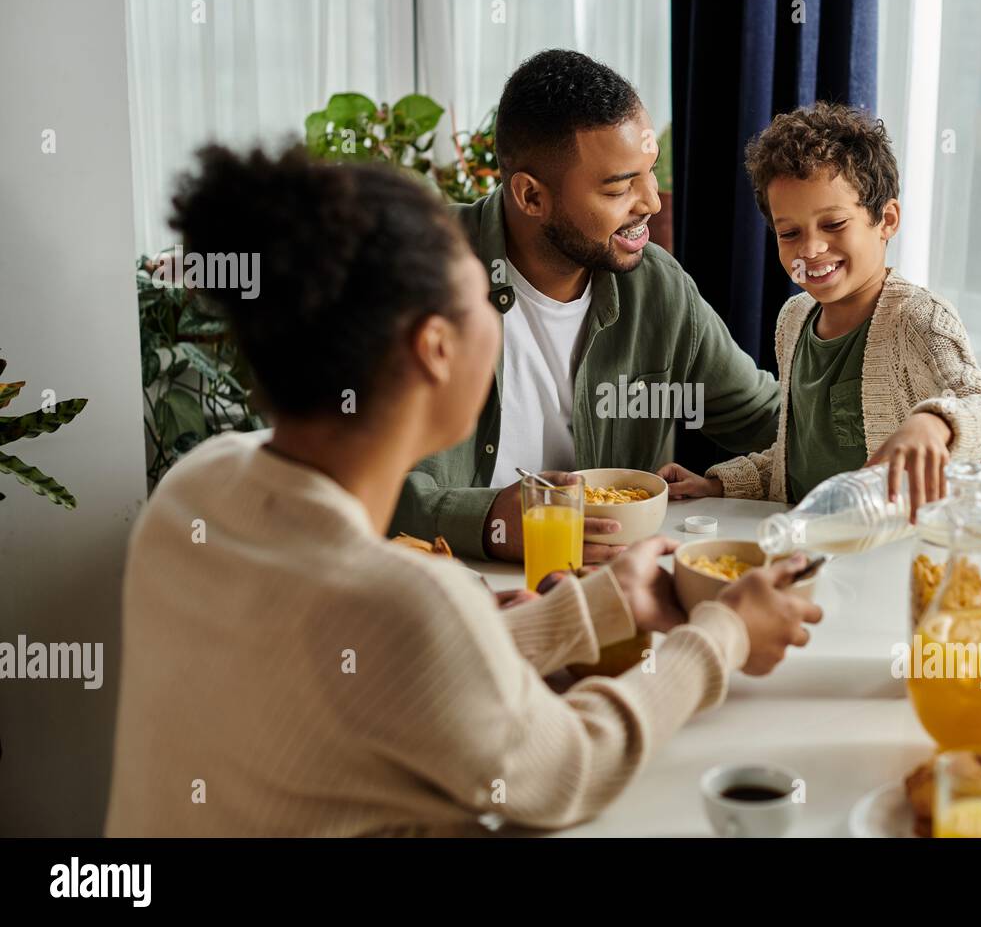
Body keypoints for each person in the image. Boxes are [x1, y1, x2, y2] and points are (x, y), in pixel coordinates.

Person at [104, 146, 821, 837]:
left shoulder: (192, 494)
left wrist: (594, 608)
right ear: (435, 348)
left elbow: (391, 671)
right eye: (487, 297)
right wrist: (721, 635)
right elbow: (569, 769)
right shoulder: (404, 599)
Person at [391, 49, 782, 564]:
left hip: (613, 601)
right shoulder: (413, 276)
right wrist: (488, 522)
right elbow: (338, 477)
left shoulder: (656, 288)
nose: (652, 202)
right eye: (620, 187)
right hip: (445, 603)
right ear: (531, 197)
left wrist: (924, 420)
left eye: (649, 173)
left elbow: (776, 423)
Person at [659, 103, 981, 514]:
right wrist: (717, 484)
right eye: (789, 232)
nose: (810, 249)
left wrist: (934, 424)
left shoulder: (917, 317)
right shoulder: (793, 320)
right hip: (809, 549)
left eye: (834, 224)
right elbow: (795, 457)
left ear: (887, 220)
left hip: (893, 554)